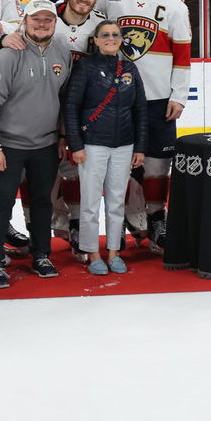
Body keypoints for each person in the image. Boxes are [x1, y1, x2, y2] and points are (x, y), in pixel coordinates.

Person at [94, 0, 190, 251]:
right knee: (117, 164)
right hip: (116, 96)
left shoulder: (175, 5)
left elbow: (183, 55)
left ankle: (155, 216)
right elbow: (73, 7)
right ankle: (120, 219)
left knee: (158, 164)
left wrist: (179, 96)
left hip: (159, 97)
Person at [0, 0, 75, 288]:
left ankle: (41, 253)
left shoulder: (62, 52)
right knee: (1, 203)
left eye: (47, 19)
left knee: (42, 202)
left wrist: (61, 136)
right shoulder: (11, 53)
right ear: (25, 21)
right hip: (9, 145)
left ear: (54, 23)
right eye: (36, 19)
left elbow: (63, 99)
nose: (42, 24)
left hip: (45, 144)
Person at [63, 19, 146, 274]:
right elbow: (71, 107)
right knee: (89, 202)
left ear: (121, 40)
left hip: (123, 145)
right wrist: (75, 145)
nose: (111, 38)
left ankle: (113, 251)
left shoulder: (130, 67)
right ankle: (92, 252)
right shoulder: (85, 67)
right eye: (105, 35)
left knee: (116, 202)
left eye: (115, 35)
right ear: (96, 40)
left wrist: (139, 147)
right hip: (92, 145)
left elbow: (140, 109)